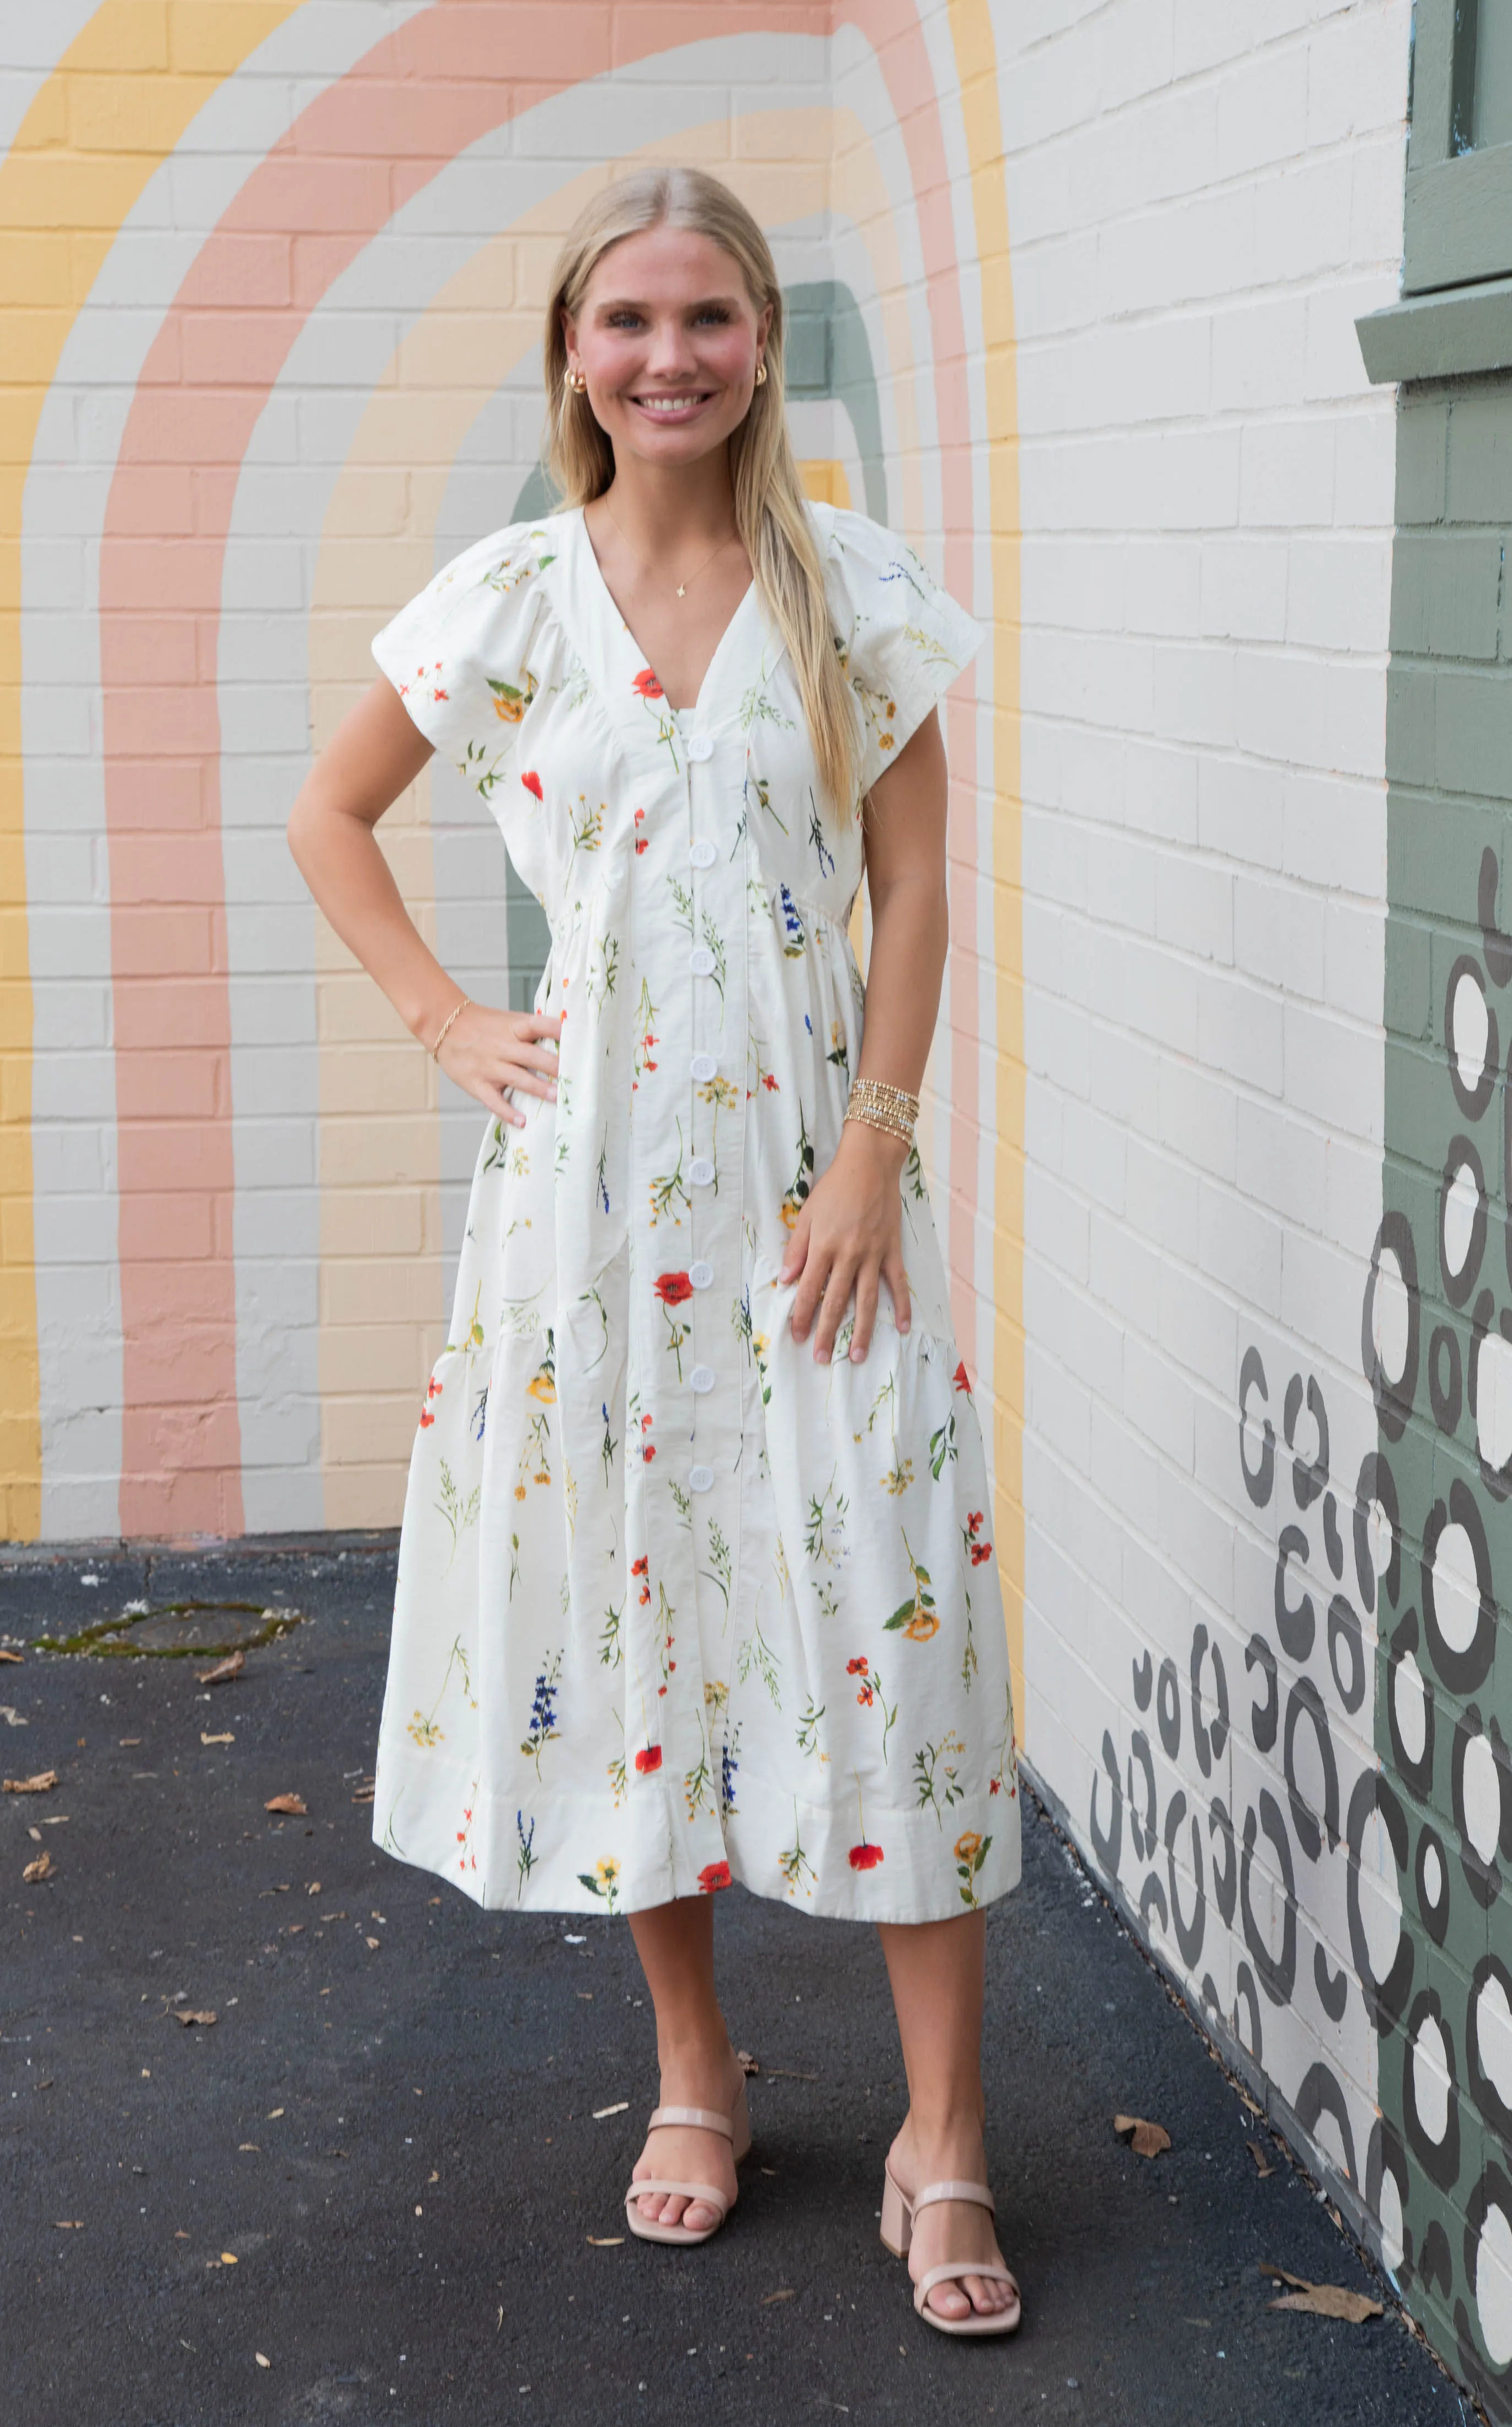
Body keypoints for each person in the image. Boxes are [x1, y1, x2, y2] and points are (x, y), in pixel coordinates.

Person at [287, 166, 1022, 2339]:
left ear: (763, 339)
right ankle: (694, 2069)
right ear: (575, 350)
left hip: (821, 1208)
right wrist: (442, 1014)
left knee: (898, 1632)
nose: (669, 354)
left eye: (707, 315)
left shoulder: (851, 597)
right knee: (640, 1616)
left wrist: (876, 1151)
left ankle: (944, 2130)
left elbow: (916, 892)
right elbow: (328, 811)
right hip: (586, 1216)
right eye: (628, 320)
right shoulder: (511, 595)